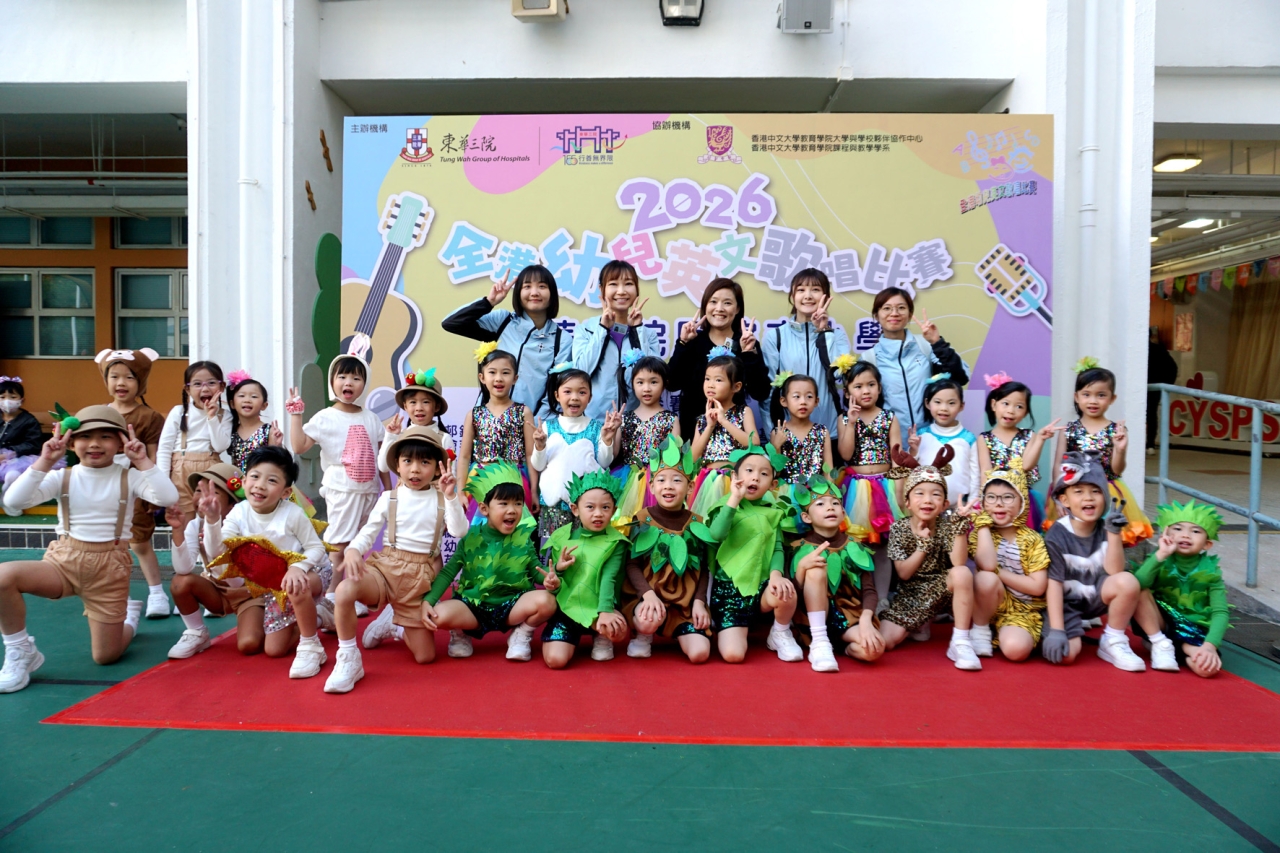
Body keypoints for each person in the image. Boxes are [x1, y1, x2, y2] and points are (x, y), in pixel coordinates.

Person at [0, 407, 179, 692]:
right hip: (63, 563)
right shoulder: (62, 477)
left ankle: (129, 618)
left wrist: (142, 460)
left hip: (109, 570)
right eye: (85, 437)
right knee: (3, 577)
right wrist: (45, 461)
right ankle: (20, 651)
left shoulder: (130, 477)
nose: (95, 444)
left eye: (105, 436)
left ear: (120, 443)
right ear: (71, 442)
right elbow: (13, 501)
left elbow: (168, 497)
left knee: (105, 656)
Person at [324, 427, 469, 693]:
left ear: (437, 468)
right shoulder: (389, 497)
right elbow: (368, 532)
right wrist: (353, 550)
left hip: (420, 578)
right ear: (398, 466)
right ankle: (348, 657)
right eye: (408, 461)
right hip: (386, 568)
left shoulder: (441, 499)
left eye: (424, 462)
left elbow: (459, 531)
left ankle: (394, 626)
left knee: (426, 656)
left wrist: (450, 496)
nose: (415, 469)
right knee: (345, 590)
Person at [203, 445, 332, 679]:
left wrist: (297, 567)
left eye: (272, 480)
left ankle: (311, 645)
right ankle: (319, 614)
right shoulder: (238, 513)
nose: (260, 485)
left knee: (295, 585)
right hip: (272, 586)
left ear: (285, 492)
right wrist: (212, 520)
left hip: (311, 572)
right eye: (255, 476)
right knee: (273, 650)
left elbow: (316, 548)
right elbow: (218, 552)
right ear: (244, 482)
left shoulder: (292, 513)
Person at [421, 462, 560, 663]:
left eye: (518, 503)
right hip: (472, 608)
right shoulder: (470, 537)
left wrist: (550, 579)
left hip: (512, 607)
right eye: (503, 503)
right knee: (437, 614)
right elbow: (448, 572)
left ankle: (522, 633)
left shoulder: (523, 538)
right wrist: (429, 600)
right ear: (484, 508)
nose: (512, 510)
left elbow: (536, 571)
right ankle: (461, 633)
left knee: (547, 601)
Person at [287, 354, 390, 608]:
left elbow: (382, 458)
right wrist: (296, 415)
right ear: (332, 381)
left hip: (369, 490)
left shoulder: (372, 418)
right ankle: (332, 595)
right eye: (342, 376)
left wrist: (388, 489)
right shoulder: (325, 417)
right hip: (342, 490)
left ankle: (353, 591)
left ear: (364, 383)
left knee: (360, 542)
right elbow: (299, 446)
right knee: (339, 543)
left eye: (356, 378)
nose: (348, 382)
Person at [877, 445, 983, 672]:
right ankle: (920, 623)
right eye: (920, 493)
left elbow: (958, 564)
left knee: (962, 573)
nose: (928, 500)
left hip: (944, 589)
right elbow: (904, 574)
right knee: (885, 642)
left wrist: (959, 527)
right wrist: (923, 546)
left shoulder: (948, 524)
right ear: (907, 502)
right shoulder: (899, 528)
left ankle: (960, 641)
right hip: (912, 595)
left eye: (936, 494)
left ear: (944, 504)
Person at [1039, 450, 1146, 671]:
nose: (1088, 498)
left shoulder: (1106, 527)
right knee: (1067, 656)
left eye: (1095, 491)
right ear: (1064, 500)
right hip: (1066, 603)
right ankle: (1051, 630)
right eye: (1079, 491)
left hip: (1095, 597)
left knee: (1128, 581)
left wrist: (1114, 534)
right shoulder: (1056, 534)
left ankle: (1113, 639)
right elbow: (1054, 584)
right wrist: (1057, 629)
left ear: (1105, 497)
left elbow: (1115, 572)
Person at [704, 440, 802, 664]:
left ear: (773, 484)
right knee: (733, 655)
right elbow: (716, 534)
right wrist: (734, 499)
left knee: (786, 591)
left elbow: (777, 547)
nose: (755, 477)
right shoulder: (725, 505)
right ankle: (731, 627)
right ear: (735, 476)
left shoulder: (774, 511)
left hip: (761, 590)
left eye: (763, 474)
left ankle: (780, 632)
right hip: (730, 594)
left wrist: (776, 575)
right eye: (749, 471)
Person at [619, 436, 712, 663]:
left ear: (690, 487)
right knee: (648, 620)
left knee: (700, 653)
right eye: (661, 480)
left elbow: (704, 568)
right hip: (648, 598)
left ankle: (677, 628)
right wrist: (647, 594)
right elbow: (631, 565)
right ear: (652, 486)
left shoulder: (697, 523)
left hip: (683, 605)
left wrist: (699, 602)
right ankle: (643, 634)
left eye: (677, 480)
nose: (668, 486)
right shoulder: (642, 518)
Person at [441, 265, 574, 420]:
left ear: (552, 294)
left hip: (532, 425)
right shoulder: (503, 321)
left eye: (542, 286)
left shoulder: (561, 339)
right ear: (518, 293)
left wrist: (534, 425)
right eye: (527, 286)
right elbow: (451, 323)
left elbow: (557, 388)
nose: (534, 292)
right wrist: (489, 302)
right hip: (489, 421)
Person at [94, 348, 170, 619]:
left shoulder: (149, 417)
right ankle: (120, 598)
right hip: (103, 490)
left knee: (139, 543)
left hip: (135, 488)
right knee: (110, 546)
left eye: (129, 377)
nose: (121, 383)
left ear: (141, 382)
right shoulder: (98, 414)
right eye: (114, 376)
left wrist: (152, 491)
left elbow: (153, 456)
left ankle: (157, 593)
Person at [165, 463, 267, 659]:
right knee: (180, 582)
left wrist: (213, 529)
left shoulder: (245, 527)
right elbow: (183, 568)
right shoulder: (195, 525)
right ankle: (196, 632)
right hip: (218, 591)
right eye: (198, 490)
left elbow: (235, 580)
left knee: (249, 644)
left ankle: (267, 620)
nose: (203, 497)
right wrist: (178, 530)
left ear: (232, 505)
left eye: (213, 492)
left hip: (249, 594)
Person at [1050, 359, 1153, 546]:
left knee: (1105, 540)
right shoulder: (1068, 430)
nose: (1093, 401)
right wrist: (1058, 496)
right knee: (1074, 537)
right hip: (1074, 492)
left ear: (1112, 398)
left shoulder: (1117, 431)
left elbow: (1117, 470)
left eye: (1101, 395)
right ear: (1076, 397)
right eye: (1086, 394)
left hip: (1105, 491)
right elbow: (1059, 465)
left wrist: (1120, 450)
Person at [788, 475, 881, 672]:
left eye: (835, 503)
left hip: (849, 617)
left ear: (843, 512)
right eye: (820, 504)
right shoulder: (798, 548)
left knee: (874, 649)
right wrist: (802, 568)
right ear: (806, 517)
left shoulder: (856, 545)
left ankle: (840, 647)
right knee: (815, 569)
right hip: (814, 619)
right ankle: (820, 642)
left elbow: (869, 591)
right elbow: (791, 596)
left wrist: (866, 621)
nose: (830, 508)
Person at [541, 472, 631, 668]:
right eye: (590, 507)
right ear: (575, 509)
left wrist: (605, 611)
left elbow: (609, 578)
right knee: (555, 660)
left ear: (614, 510)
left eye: (605, 507)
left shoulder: (616, 542)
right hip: (567, 609)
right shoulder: (562, 538)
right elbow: (555, 581)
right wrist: (555, 576)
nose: (598, 514)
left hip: (599, 609)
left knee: (619, 630)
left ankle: (600, 635)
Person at [1132, 500, 1229, 677]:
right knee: (1139, 590)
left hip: (1193, 630)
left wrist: (1209, 646)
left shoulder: (1212, 572)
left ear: (1207, 544)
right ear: (1166, 534)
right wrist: (1161, 554)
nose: (1185, 535)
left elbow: (1220, 612)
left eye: (1195, 531)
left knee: (1207, 670)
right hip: (1160, 624)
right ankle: (1164, 644)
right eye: (1178, 529)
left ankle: (1182, 648)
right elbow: (1138, 584)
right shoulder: (1160, 558)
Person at [667, 277, 770, 437]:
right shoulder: (693, 341)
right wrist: (683, 344)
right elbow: (672, 383)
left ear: (737, 308)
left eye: (727, 303)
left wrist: (748, 354)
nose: (719, 308)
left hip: (733, 433)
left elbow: (761, 392)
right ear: (705, 306)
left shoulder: (746, 343)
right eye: (713, 302)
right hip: (693, 431)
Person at [968, 463, 1049, 662]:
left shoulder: (1032, 539)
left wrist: (999, 573)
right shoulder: (980, 534)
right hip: (989, 605)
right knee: (986, 578)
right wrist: (983, 525)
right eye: (991, 497)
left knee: (1016, 650)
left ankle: (1008, 633)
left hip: (1022, 611)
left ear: (1022, 501)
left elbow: (1037, 587)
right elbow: (987, 566)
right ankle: (981, 629)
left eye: (1007, 497)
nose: (999, 504)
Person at [861, 286, 969, 433]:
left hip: (930, 437)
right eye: (887, 308)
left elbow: (960, 377)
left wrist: (937, 343)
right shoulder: (869, 358)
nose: (894, 313)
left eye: (901, 308)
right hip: (891, 439)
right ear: (876, 315)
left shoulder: (926, 346)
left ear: (910, 314)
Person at [530, 366, 620, 542]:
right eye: (567, 391)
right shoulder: (548, 428)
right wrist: (539, 446)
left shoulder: (596, 428)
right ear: (557, 395)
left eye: (582, 392)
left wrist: (607, 439)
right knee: (552, 550)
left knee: (584, 547)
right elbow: (538, 465)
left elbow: (604, 462)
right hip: (553, 504)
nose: (574, 397)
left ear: (590, 397)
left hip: (586, 506)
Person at [761, 268, 850, 433]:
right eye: (801, 290)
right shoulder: (776, 336)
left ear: (826, 296)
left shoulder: (836, 336)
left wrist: (824, 332)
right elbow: (768, 392)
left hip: (829, 431)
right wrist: (773, 432)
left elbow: (838, 373)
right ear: (792, 296)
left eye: (815, 289)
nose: (808, 296)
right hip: (788, 433)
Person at [571, 260, 660, 419]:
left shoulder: (648, 334)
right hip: (595, 422)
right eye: (613, 284)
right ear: (602, 289)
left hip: (636, 422)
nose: (621, 291)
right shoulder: (586, 330)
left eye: (628, 284)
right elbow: (580, 373)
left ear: (637, 289)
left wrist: (637, 331)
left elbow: (654, 376)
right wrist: (602, 329)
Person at [455, 346, 536, 517]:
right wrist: (461, 491)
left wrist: (534, 491)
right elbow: (464, 457)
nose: (499, 378)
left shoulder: (524, 412)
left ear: (515, 378)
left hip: (515, 480)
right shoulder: (474, 414)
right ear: (482, 377)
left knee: (513, 527)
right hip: (480, 480)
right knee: (480, 529)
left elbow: (530, 455)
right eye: (492, 372)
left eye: (505, 373)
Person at [835, 358, 902, 552]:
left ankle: (885, 573)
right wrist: (851, 423)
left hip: (886, 486)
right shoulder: (844, 419)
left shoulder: (889, 417)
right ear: (847, 392)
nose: (866, 391)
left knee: (886, 541)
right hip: (856, 489)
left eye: (871, 385)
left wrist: (899, 491)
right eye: (858, 386)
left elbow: (897, 457)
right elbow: (845, 454)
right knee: (858, 540)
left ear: (879, 388)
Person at [978, 373, 1058, 529]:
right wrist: (984, 500)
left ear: (1026, 412)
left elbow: (1026, 465)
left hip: (1023, 500)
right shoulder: (984, 438)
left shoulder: (1029, 436)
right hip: (996, 501)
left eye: (1019, 406)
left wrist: (1040, 439)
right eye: (1005, 403)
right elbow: (985, 473)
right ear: (994, 405)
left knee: (1022, 539)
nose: (1011, 410)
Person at [156, 361, 232, 524]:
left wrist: (212, 417)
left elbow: (220, 446)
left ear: (221, 387)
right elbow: (164, 449)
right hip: (180, 469)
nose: (205, 389)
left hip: (211, 469)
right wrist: (163, 482)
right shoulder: (179, 412)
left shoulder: (224, 415)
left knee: (210, 517)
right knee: (182, 520)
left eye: (211, 383)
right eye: (197, 384)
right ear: (187, 389)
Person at [688, 353, 756, 518]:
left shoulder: (743, 412)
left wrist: (724, 421)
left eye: (718, 380)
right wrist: (710, 426)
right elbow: (693, 457)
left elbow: (754, 442)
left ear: (736, 387)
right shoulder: (702, 420)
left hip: (735, 480)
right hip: (708, 481)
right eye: (707, 379)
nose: (710, 385)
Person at [612, 355, 678, 521]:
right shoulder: (625, 418)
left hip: (658, 480)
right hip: (627, 480)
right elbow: (613, 454)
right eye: (640, 382)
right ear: (633, 384)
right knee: (626, 524)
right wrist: (612, 432)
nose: (646, 388)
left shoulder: (671, 419)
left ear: (664, 384)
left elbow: (675, 457)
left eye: (653, 382)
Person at [913, 374, 979, 508]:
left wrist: (972, 504)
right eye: (938, 402)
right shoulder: (921, 436)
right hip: (926, 506)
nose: (944, 408)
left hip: (959, 508)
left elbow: (975, 475)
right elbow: (911, 469)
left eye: (951, 403)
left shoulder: (969, 439)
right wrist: (913, 450)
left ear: (962, 406)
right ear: (927, 403)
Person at [379, 366, 453, 474]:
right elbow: (383, 467)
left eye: (426, 402)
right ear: (405, 406)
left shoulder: (444, 438)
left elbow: (451, 473)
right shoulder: (401, 436)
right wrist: (390, 436)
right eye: (413, 402)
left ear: (436, 406)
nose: (419, 408)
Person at [769, 373, 834, 492]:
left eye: (809, 396)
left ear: (816, 401)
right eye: (796, 396)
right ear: (784, 401)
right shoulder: (778, 432)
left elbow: (828, 470)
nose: (803, 401)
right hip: (787, 493)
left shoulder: (822, 431)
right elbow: (776, 472)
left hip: (816, 491)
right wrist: (777, 446)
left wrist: (830, 494)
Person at [0, 376, 47, 505]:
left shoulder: (29, 420)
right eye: (2, 397)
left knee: (12, 476)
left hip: (19, 459)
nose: (7, 401)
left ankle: (8, 501)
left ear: (22, 400)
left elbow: (33, 444)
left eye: (12, 397)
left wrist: (9, 454)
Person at [225, 371, 283, 470]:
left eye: (254, 396)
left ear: (264, 405)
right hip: (236, 479)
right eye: (241, 396)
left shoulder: (268, 431)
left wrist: (277, 446)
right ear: (232, 404)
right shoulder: (231, 430)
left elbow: (276, 463)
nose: (247, 400)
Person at [1146, 327, 1179, 454]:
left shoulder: (1134, 350)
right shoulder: (1159, 349)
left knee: (1137, 414)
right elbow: (1172, 368)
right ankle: (1150, 444)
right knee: (1151, 415)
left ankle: (1140, 443)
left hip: (1141, 388)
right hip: (1155, 388)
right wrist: (1165, 385)